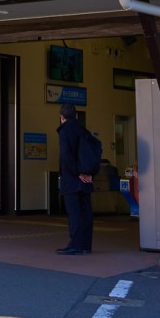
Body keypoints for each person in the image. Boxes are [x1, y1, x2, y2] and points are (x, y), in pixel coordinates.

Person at [56, 104, 94, 255]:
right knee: (85, 211)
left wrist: (78, 173)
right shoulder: (83, 130)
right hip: (86, 178)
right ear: (76, 116)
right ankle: (86, 244)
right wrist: (89, 173)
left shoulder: (64, 131)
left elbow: (66, 156)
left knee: (74, 213)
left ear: (61, 117)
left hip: (72, 178)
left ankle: (76, 244)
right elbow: (93, 151)